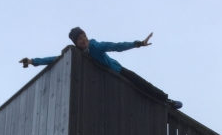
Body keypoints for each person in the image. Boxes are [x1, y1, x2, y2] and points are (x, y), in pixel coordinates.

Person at [20, 28, 182, 109]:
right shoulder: (77, 54)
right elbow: (55, 59)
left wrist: (138, 43)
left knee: (140, 83)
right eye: (80, 39)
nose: (83, 39)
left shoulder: (95, 46)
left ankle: (166, 99)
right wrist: (33, 61)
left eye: (84, 36)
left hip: (117, 71)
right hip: (104, 79)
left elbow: (116, 46)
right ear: (76, 43)